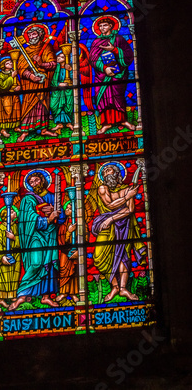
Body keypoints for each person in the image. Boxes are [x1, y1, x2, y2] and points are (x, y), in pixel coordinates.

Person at [8, 171, 66, 310]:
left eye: (36, 180)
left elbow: (62, 217)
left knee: (50, 266)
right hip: (34, 236)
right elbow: (28, 219)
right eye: (31, 182)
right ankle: (21, 295)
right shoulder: (28, 199)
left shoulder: (52, 196)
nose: (34, 184)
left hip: (51, 234)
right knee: (35, 263)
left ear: (43, 180)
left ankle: (46, 297)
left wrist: (57, 213)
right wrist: (48, 219)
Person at [91, 164, 147, 302]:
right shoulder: (103, 188)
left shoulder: (127, 189)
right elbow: (110, 205)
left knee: (123, 255)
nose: (106, 173)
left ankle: (122, 288)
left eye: (108, 170)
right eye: (104, 172)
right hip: (105, 225)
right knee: (99, 257)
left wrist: (112, 218)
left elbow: (130, 210)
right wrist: (127, 197)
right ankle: (114, 286)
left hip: (125, 225)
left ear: (116, 173)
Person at [89, 17, 135, 134]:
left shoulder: (119, 39)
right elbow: (93, 58)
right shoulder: (96, 42)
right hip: (102, 76)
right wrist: (105, 69)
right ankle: (106, 124)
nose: (102, 28)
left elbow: (128, 55)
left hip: (117, 74)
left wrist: (114, 49)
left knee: (117, 97)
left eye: (105, 25)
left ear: (110, 26)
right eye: (100, 26)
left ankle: (123, 120)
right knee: (104, 99)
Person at [16, 26, 58, 142]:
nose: (31, 37)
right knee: (28, 105)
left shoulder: (47, 47)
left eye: (33, 34)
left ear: (39, 35)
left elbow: (53, 64)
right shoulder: (26, 51)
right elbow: (20, 68)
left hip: (43, 82)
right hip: (29, 84)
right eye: (29, 35)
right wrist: (31, 76)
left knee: (43, 104)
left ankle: (44, 129)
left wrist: (41, 64)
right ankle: (25, 131)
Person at [0, 206, 21, 308]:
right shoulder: (1, 228)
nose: (15, 213)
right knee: (5, 277)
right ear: (5, 216)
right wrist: (1, 257)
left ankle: (13, 296)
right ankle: (1, 299)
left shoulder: (16, 226)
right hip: (5, 256)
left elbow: (22, 242)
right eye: (11, 212)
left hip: (16, 255)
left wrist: (14, 238)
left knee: (15, 277)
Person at [56, 201, 79, 303]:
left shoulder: (80, 224)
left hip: (76, 253)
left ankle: (74, 293)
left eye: (70, 208)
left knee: (74, 273)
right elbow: (61, 241)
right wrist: (69, 232)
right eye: (66, 208)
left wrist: (78, 251)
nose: (67, 210)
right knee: (63, 271)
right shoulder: (62, 226)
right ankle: (63, 292)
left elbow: (84, 238)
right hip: (65, 254)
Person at [50, 52, 74, 132]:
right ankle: (59, 124)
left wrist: (70, 70)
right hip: (57, 91)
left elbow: (75, 78)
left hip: (67, 90)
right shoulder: (55, 68)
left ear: (66, 59)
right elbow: (51, 80)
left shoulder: (70, 67)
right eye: (58, 56)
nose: (59, 58)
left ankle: (69, 123)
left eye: (62, 57)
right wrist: (58, 84)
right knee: (54, 105)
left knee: (67, 105)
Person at [0, 57, 21, 138]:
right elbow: (3, 86)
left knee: (16, 110)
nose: (11, 64)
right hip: (5, 96)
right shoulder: (0, 75)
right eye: (8, 63)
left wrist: (19, 87)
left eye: (11, 62)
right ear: (3, 66)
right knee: (6, 112)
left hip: (14, 95)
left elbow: (18, 83)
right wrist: (11, 76)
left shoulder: (14, 73)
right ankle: (3, 129)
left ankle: (16, 126)